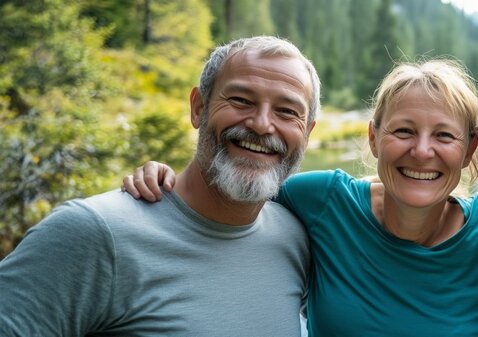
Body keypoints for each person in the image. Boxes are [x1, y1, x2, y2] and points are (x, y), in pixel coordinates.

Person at [122, 60, 478, 336]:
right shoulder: (323, 201)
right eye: (403, 131)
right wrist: (168, 179)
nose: (422, 151)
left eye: (444, 136)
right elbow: (231, 191)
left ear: (470, 149)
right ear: (373, 138)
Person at [0, 36, 320, 336]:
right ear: (198, 107)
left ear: (307, 132)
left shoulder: (296, 237)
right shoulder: (94, 233)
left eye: (287, 112)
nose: (262, 124)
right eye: (240, 100)